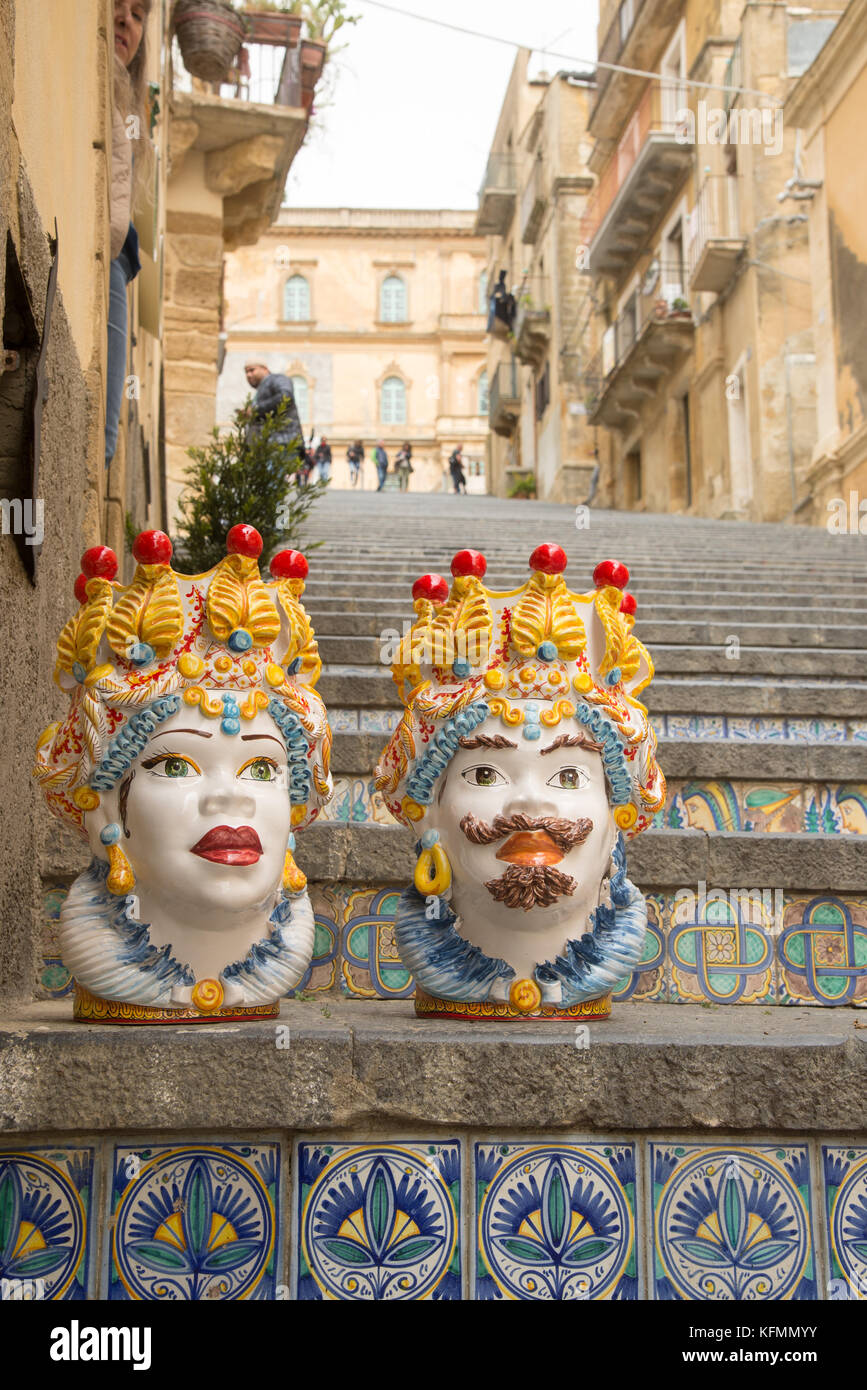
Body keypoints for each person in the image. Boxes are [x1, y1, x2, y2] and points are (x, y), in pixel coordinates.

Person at [106, 0, 153, 468]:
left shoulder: (129, 99)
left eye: (139, 14)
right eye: (118, 4)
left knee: (101, 439)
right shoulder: (98, 82)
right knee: (99, 437)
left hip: (117, 258)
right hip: (106, 259)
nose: (126, 20)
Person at [244, 361, 306, 469]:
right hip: (267, 445)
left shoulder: (277, 379)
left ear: (265, 369)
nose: (248, 375)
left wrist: (255, 409)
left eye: (252, 370)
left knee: (273, 482)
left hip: (281, 442)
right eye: (246, 372)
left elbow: (285, 397)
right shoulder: (261, 389)